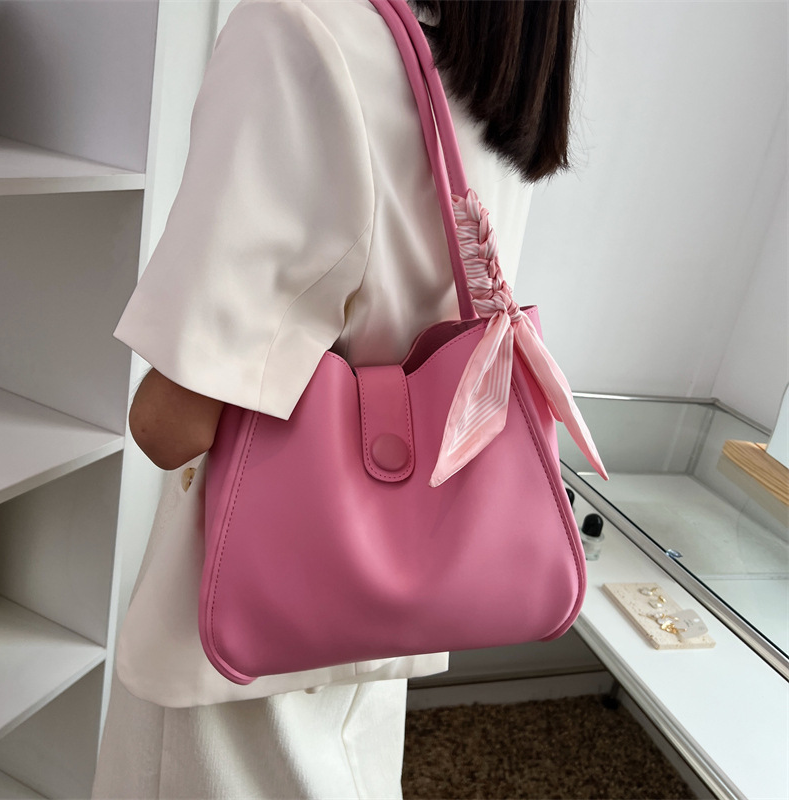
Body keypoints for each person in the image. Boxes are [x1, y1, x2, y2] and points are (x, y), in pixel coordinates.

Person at [92, 0, 579, 797]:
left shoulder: (302, 29)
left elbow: (171, 425)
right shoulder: (501, 60)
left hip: (244, 635)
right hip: (394, 609)